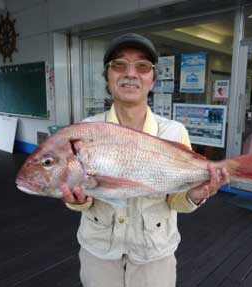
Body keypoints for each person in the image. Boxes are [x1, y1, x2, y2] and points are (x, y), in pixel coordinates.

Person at [61, 33, 230, 287]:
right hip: (99, 253)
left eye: (142, 66)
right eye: (119, 65)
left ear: (153, 80)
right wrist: (78, 202)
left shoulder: (173, 132)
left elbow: (175, 200)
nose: (130, 73)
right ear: (107, 77)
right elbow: (79, 190)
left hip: (154, 256)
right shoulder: (84, 132)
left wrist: (196, 195)